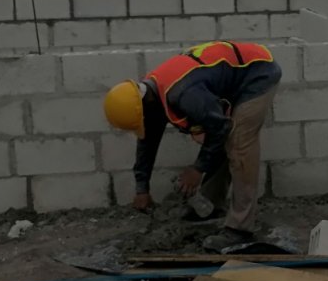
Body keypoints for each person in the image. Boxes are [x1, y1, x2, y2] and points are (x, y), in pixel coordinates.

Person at [102, 40, 283, 251]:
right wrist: (142, 188)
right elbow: (147, 143)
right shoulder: (149, 95)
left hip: (258, 73)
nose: (146, 125)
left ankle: (240, 229)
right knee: (222, 140)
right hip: (233, 73)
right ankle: (211, 206)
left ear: (145, 106)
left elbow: (219, 128)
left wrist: (198, 169)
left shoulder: (184, 94)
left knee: (240, 146)